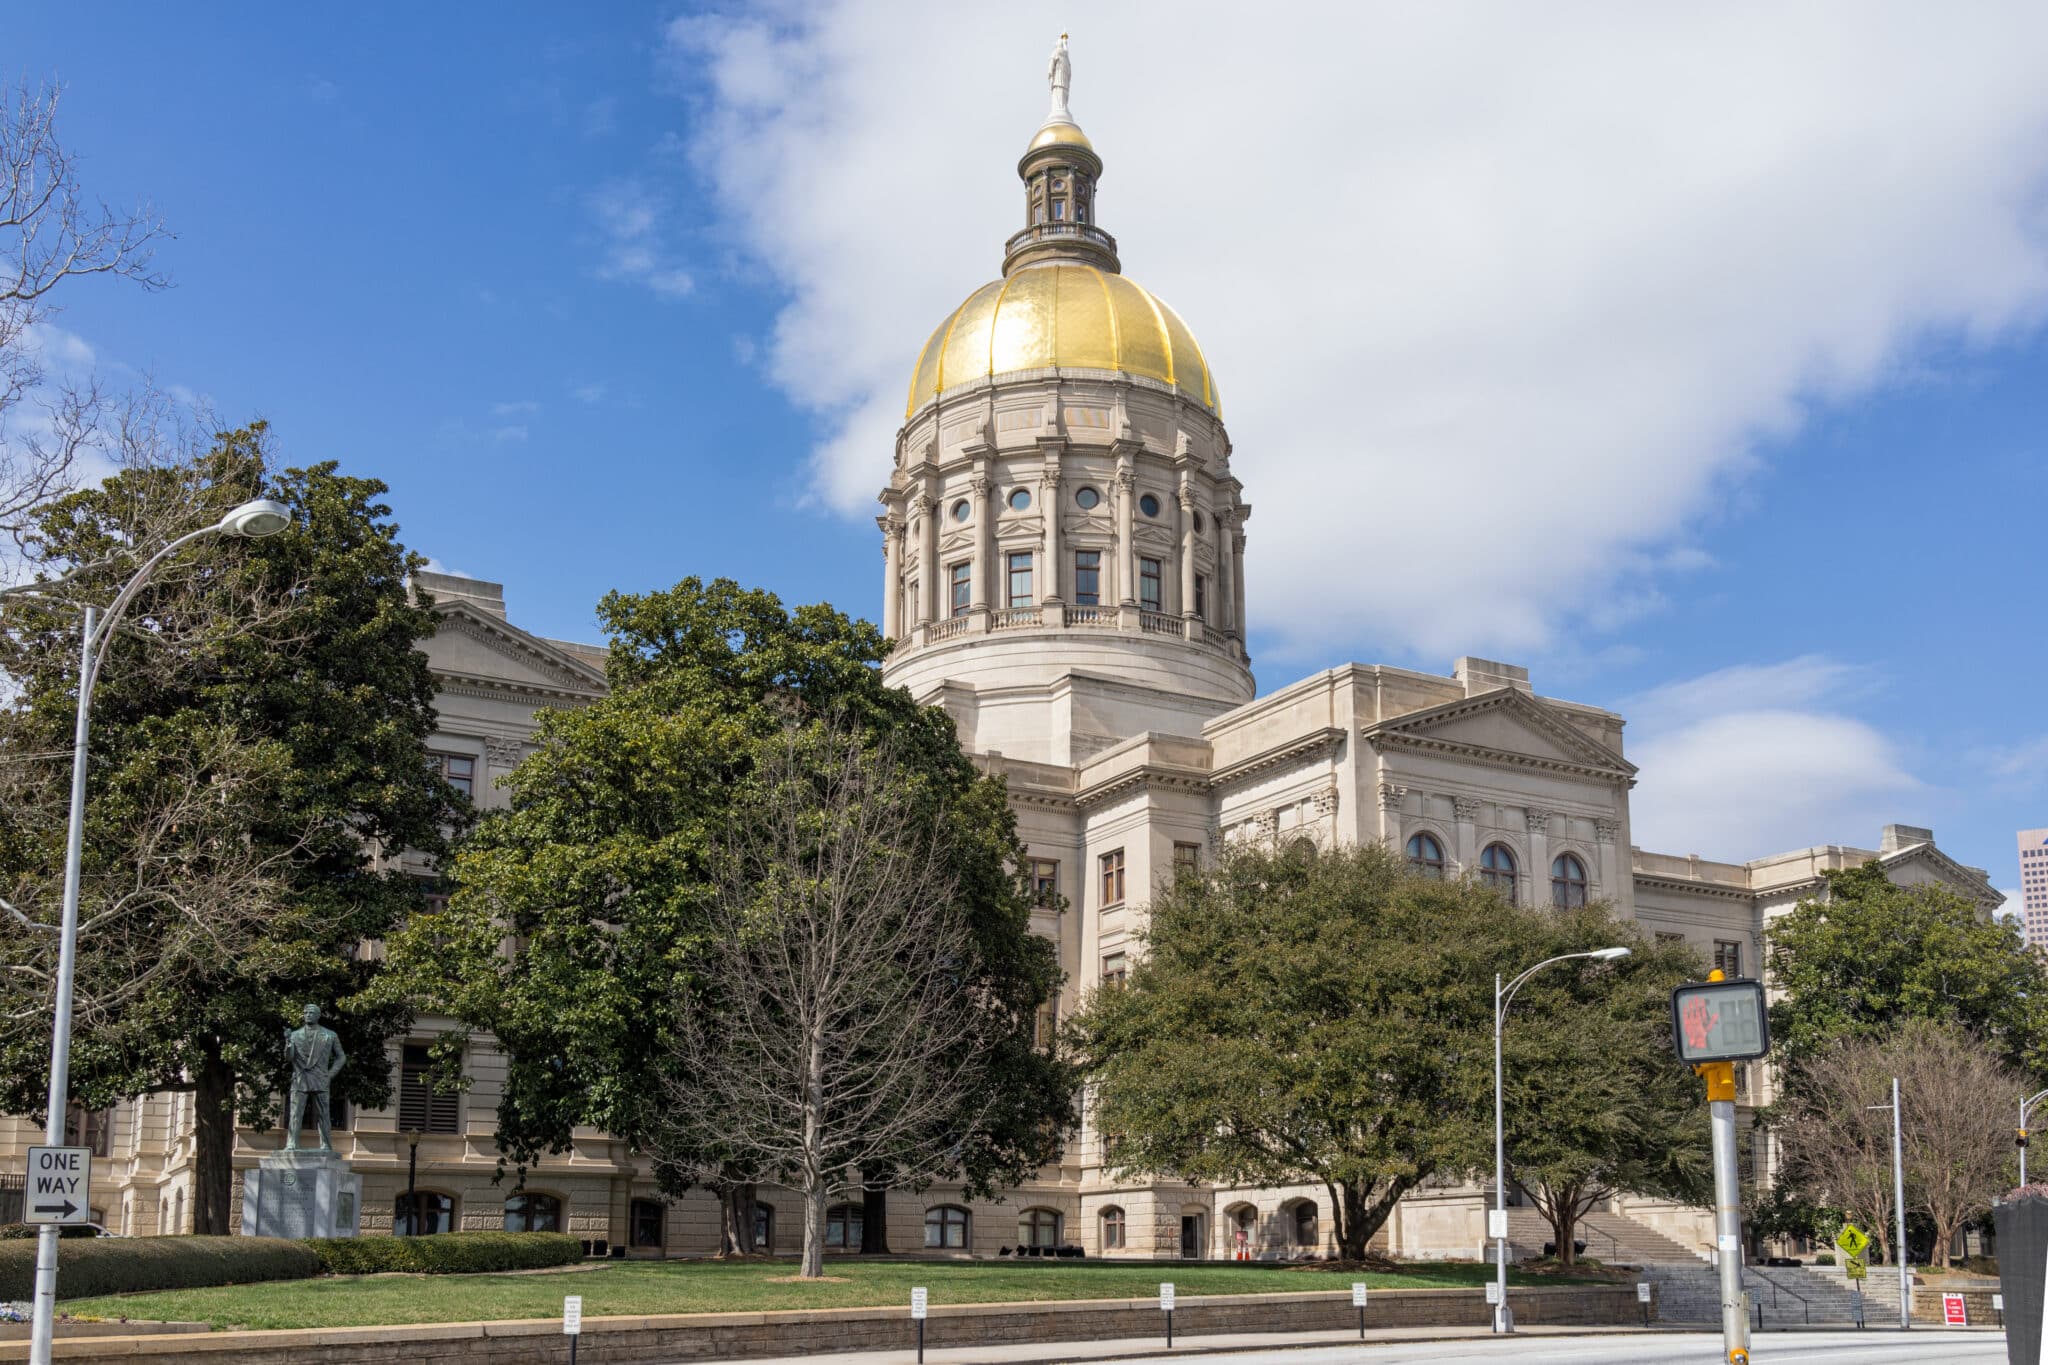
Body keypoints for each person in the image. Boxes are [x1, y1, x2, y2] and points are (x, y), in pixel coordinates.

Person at [283, 1003, 347, 1151]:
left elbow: (341, 1057)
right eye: (306, 1012)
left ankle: (325, 1144)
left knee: (324, 1114)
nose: (308, 1015)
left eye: (311, 1012)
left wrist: (330, 1075)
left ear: (318, 1015)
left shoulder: (330, 1035)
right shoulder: (294, 1035)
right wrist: (287, 1042)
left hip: (320, 1078)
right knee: (295, 1113)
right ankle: (292, 1143)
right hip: (300, 1078)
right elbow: (289, 1058)